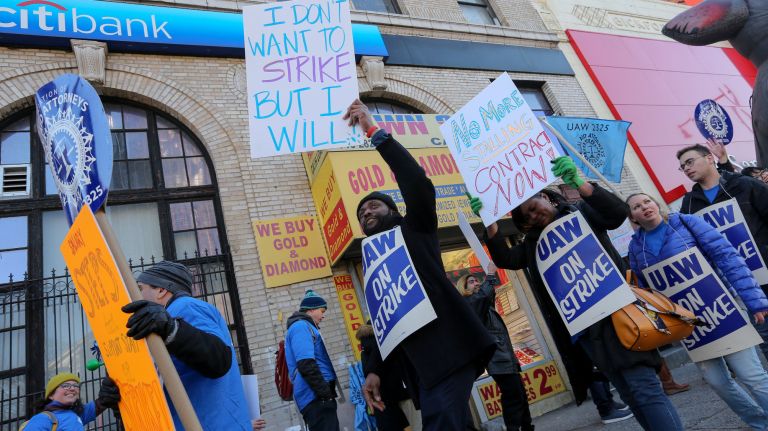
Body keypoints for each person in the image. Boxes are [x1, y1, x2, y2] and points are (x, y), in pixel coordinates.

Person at [471, 158, 683, 431]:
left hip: (620, 316)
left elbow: (616, 213)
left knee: (645, 391)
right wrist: (490, 227)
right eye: (527, 217)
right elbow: (507, 259)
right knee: (631, 395)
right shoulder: (534, 244)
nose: (534, 216)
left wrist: (579, 183)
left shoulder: (582, 214)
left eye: (534, 208)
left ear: (547, 197)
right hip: (588, 334)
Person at [345, 99, 496, 431]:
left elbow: (416, 182)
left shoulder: (415, 229)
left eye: (373, 206)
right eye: (361, 214)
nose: (366, 212)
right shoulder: (375, 264)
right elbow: (383, 324)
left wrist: (374, 131)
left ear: (394, 212)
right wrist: (375, 370)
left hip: (450, 349)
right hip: (420, 372)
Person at [627, 192, 768, 429]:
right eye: (636, 207)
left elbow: (727, 257)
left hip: (722, 308)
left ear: (656, 203)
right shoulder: (635, 247)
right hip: (688, 325)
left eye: (647, 201)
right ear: (633, 217)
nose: (644, 207)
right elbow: (647, 290)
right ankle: (760, 423)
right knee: (717, 382)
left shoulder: (686, 222)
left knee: (751, 375)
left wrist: (755, 300)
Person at [121, 260, 251, 430]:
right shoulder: (161, 319)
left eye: (140, 288)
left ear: (161, 290)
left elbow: (218, 358)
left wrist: (173, 329)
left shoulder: (184, 306)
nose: (134, 295)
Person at [677, 144, 768, 359]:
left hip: (764, 265)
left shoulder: (744, 185)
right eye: (682, 167)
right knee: (765, 336)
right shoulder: (689, 205)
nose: (687, 168)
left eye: (690, 161)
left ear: (709, 158)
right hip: (740, 282)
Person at [456, 266, 534, 431]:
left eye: (477, 280)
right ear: (463, 288)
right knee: (513, 396)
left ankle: (527, 426)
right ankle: (514, 428)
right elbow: (483, 296)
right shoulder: (470, 303)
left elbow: (486, 296)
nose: (476, 283)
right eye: (471, 282)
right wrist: (490, 275)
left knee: (519, 394)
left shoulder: (482, 304)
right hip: (497, 360)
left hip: (506, 357)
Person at [285, 290, 339, 431]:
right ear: (311, 310)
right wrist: (325, 394)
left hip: (317, 398)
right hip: (315, 398)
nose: (323, 315)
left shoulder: (304, 327)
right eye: (322, 310)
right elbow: (306, 364)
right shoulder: (301, 326)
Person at [356, 322, 418, 431]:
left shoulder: (364, 350)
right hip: (403, 393)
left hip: (382, 398)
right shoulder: (385, 341)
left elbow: (367, 372)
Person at [21, 372, 120, 431]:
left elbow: (101, 403)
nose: (72, 388)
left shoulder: (77, 415)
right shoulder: (42, 419)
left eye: (76, 385)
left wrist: (107, 395)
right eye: (66, 385)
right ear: (51, 395)